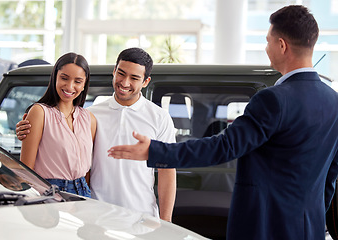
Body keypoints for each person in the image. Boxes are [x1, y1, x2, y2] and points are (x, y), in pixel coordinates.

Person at [108, 5, 338, 240]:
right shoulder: (334, 101)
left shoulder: (274, 100)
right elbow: (331, 174)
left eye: (267, 41)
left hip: (265, 228)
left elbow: (224, 146)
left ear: (282, 45)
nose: (266, 48)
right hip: (310, 228)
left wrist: (154, 150)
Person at [16, 48, 176, 221]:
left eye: (134, 78)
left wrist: (166, 221)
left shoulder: (160, 118)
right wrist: (27, 130)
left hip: (141, 216)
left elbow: (167, 171)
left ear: (146, 82)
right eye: (121, 73)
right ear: (114, 72)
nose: (125, 82)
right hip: (97, 213)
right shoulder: (91, 115)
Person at [20, 52, 96, 198]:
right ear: (55, 76)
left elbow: (87, 170)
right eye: (64, 78)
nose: (70, 86)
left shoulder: (89, 119)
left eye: (78, 81)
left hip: (83, 191)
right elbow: (26, 171)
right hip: (50, 191)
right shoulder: (40, 112)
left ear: (84, 84)